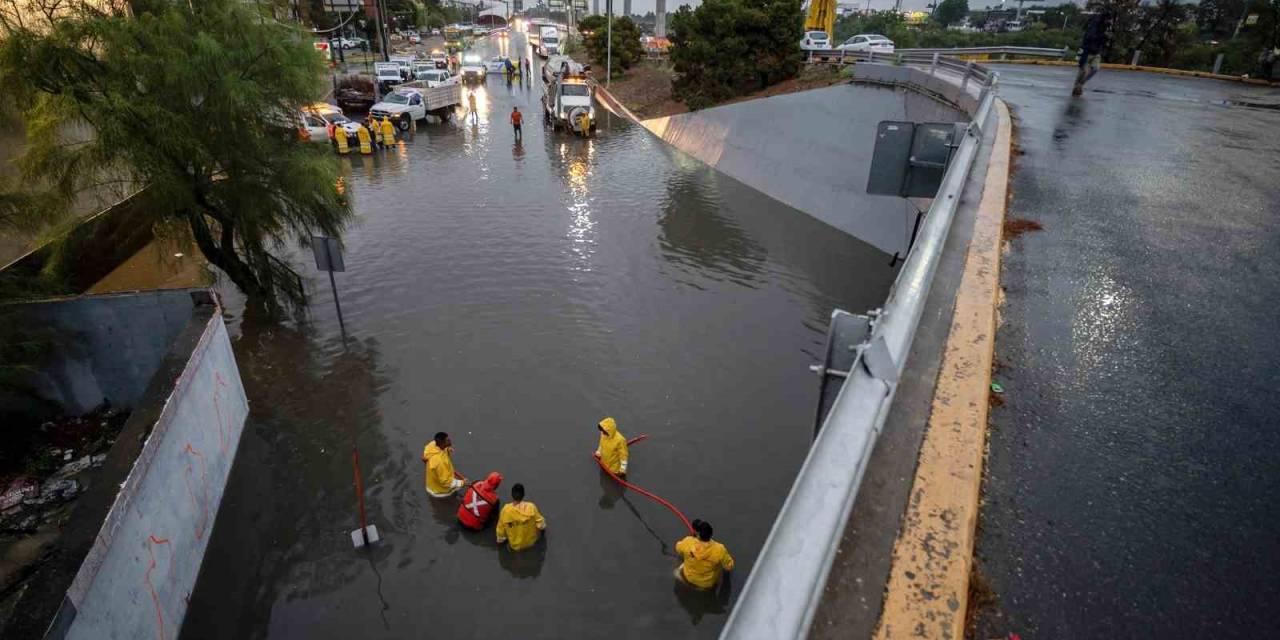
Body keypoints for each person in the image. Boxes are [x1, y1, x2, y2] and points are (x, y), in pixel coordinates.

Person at [674, 519, 735, 590]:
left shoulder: (688, 542)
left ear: (697, 534)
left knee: (680, 563)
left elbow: (678, 547)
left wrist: (691, 540)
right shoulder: (720, 550)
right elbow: (729, 566)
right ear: (711, 534)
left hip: (689, 578)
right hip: (707, 584)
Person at [1073, 5, 1112, 96]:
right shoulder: (1094, 24)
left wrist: (1106, 40)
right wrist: (1103, 36)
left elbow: (1104, 39)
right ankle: (1076, 88)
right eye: (1108, 19)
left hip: (1097, 52)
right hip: (1087, 50)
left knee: (1095, 69)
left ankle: (1080, 85)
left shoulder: (1106, 26)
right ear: (1105, 18)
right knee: (1084, 71)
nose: (1110, 22)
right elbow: (1090, 37)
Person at [495, 483, 546, 551]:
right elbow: (541, 525)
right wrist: (543, 535)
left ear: (512, 495)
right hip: (531, 543)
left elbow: (500, 532)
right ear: (523, 494)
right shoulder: (531, 507)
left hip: (515, 546)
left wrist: (500, 543)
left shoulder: (505, 511)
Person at [423, 432, 466, 498]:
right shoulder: (439, 462)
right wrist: (463, 482)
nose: (450, 440)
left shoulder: (432, 445)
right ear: (442, 444)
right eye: (447, 440)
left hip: (432, 484)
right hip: (440, 492)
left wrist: (448, 449)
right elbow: (446, 482)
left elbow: (424, 457)